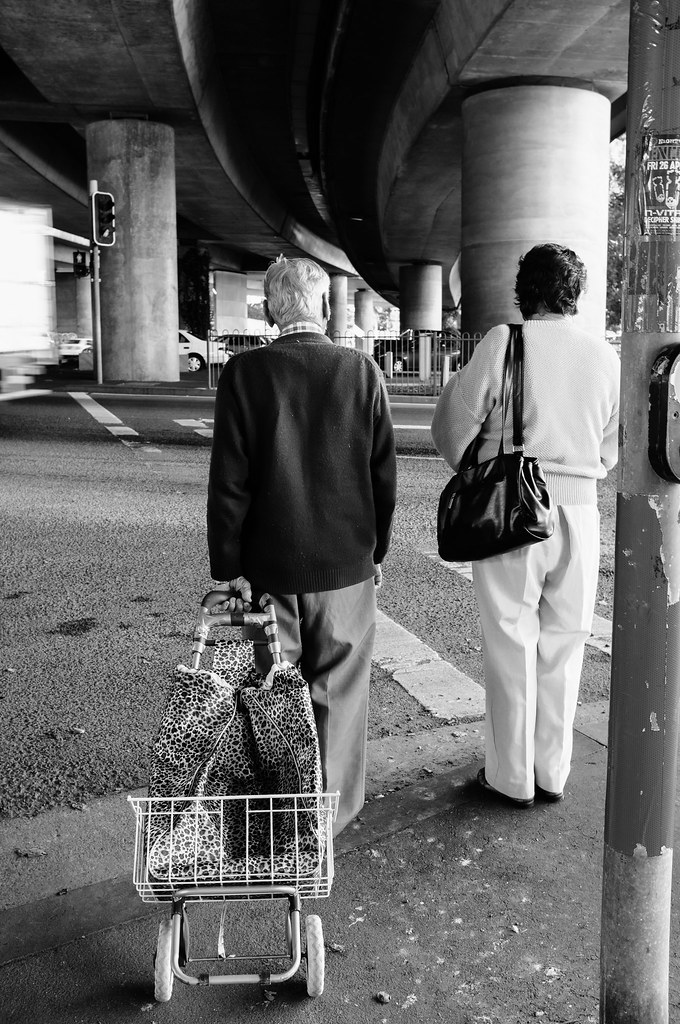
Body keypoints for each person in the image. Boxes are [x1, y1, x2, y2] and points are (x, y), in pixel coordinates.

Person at [207, 255, 397, 834]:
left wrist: (228, 566)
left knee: (271, 693)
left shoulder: (245, 374)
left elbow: (230, 482)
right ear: (320, 306)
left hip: (269, 568)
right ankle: (326, 824)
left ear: (271, 307)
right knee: (339, 691)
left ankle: (277, 819)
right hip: (345, 566)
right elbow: (382, 479)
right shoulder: (361, 371)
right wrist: (376, 554)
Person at [431, 243, 620, 807]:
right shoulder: (604, 357)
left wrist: (475, 461)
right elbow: (616, 443)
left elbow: (453, 426)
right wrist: (586, 470)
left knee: (512, 642)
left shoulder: (505, 342)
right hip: (580, 511)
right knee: (565, 646)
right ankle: (551, 774)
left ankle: (510, 778)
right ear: (575, 293)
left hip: (513, 509)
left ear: (524, 290)